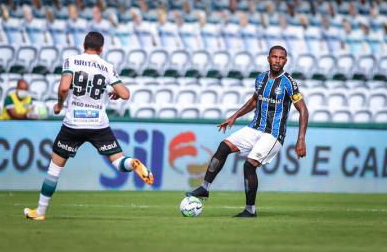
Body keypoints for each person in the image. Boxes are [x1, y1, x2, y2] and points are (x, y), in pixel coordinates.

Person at [24, 31, 154, 221]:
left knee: (54, 169)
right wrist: (114, 91)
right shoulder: (107, 66)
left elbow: (63, 88)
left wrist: (60, 105)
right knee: (118, 161)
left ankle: (40, 212)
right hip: (98, 124)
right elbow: (125, 94)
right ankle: (132, 163)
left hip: (73, 124)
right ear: (102, 48)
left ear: (83, 45)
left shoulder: (72, 61)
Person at [186, 46, 308, 217]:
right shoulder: (261, 78)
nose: (277, 61)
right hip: (254, 128)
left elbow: (303, 110)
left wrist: (301, 139)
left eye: (281, 58)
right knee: (223, 147)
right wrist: (234, 117)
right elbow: (253, 101)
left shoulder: (289, 83)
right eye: (274, 57)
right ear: (268, 58)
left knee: (249, 166)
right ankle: (205, 187)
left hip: (273, 134)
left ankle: (250, 210)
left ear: (285, 61)